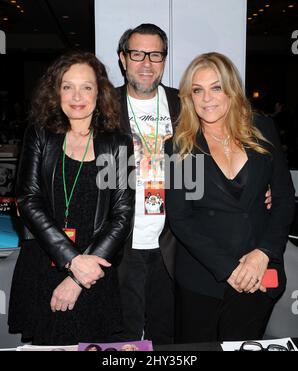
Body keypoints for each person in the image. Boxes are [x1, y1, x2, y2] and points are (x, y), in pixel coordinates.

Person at [165, 52, 295, 343]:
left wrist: (263, 254)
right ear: (189, 97)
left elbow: (285, 199)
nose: (206, 98)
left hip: (259, 274)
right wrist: (230, 269)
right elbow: (181, 219)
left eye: (216, 87)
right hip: (203, 280)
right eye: (198, 90)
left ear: (232, 90)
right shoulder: (180, 146)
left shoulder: (262, 130)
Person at [8, 51, 135, 345]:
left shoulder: (118, 144)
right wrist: (71, 260)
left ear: (99, 93)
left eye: (86, 87)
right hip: (44, 263)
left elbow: (122, 214)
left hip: (94, 272)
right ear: (57, 91)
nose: (77, 95)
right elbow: (28, 199)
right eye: (68, 86)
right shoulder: (40, 134)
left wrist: (80, 275)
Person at [116, 23, 180, 345]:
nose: (146, 63)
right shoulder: (104, 106)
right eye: (137, 53)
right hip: (119, 244)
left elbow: (215, 159)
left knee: (166, 338)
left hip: (174, 244)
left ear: (164, 60)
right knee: (122, 337)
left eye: (155, 55)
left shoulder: (186, 105)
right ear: (123, 58)